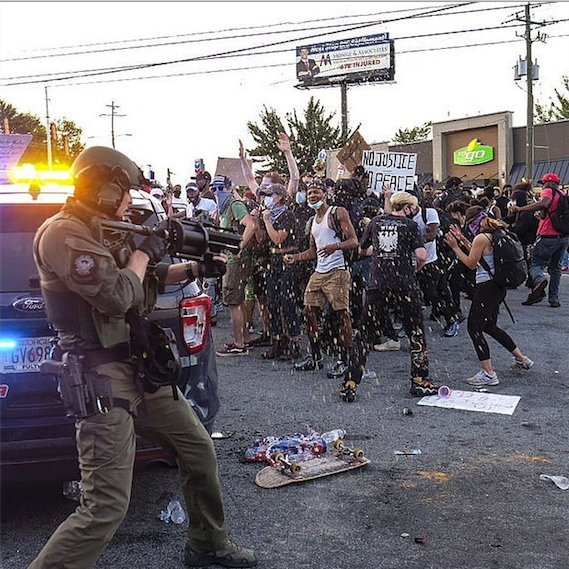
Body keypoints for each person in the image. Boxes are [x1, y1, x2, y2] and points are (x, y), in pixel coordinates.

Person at [29, 146, 257, 569]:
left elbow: (146, 281)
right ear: (104, 186)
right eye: (124, 191)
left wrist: (193, 269)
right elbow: (118, 294)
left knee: (197, 449)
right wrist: (142, 253)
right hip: (100, 375)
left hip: (137, 365)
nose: (128, 201)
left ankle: (208, 544)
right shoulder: (64, 233)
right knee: (105, 504)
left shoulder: (103, 231)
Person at [344, 191, 440, 399]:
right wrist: (417, 267)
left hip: (378, 283)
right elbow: (422, 254)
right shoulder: (411, 226)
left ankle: (350, 382)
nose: (413, 212)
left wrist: (380, 253)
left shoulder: (376, 222)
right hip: (404, 284)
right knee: (415, 332)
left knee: (364, 333)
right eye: (412, 208)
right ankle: (419, 380)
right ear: (407, 207)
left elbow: (362, 250)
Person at [444, 207, 534, 386]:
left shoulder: (481, 237)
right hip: (498, 286)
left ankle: (488, 373)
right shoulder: (496, 233)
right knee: (490, 326)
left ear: (472, 221)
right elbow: (482, 257)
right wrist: (462, 240)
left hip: (487, 287)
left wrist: (455, 247)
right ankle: (521, 358)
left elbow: (471, 263)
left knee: (474, 328)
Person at [284, 181, 358, 392]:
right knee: (308, 312)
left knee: (342, 314)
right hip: (319, 272)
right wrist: (295, 258)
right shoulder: (311, 221)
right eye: (309, 193)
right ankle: (316, 356)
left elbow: (353, 241)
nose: (312, 196)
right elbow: (312, 252)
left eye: (316, 192)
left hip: (337, 272)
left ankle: (345, 359)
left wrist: (336, 246)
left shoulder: (337, 212)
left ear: (326, 194)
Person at [213, 175, 257, 356]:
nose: (217, 192)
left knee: (233, 301)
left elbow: (251, 225)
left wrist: (239, 246)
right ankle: (244, 339)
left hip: (237, 260)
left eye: (221, 188)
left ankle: (239, 344)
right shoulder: (224, 207)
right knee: (236, 301)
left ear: (230, 188)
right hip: (233, 259)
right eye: (215, 188)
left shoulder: (234, 204)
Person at [511, 173, 569, 308]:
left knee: (535, 264)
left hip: (548, 236)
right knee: (556, 268)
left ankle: (539, 280)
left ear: (547, 183)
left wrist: (521, 209)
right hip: (563, 237)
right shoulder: (562, 194)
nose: (542, 186)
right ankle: (554, 299)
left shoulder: (548, 191)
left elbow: (544, 203)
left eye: (543, 183)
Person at [259, 183, 302, 360]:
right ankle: (277, 340)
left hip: (287, 259)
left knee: (287, 302)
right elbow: (263, 239)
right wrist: (258, 221)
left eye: (270, 195)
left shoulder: (287, 215)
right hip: (273, 260)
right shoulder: (269, 214)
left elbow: (277, 238)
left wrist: (267, 221)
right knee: (272, 302)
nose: (266, 198)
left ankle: (294, 342)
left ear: (278, 196)